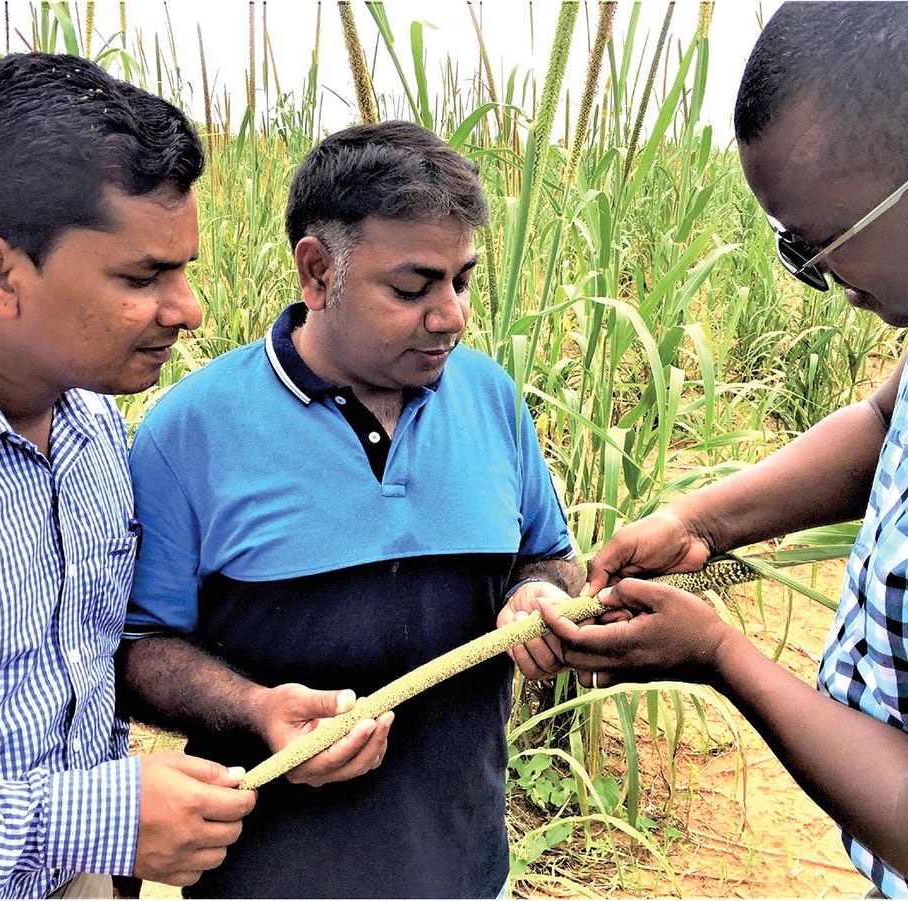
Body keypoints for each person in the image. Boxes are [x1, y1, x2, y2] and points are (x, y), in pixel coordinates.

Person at [522, 3, 908, 898]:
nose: (811, 277)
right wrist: (699, 519)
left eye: (821, 247)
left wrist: (717, 654)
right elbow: (892, 417)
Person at [0, 52, 342, 898]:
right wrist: (87, 816)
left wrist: (256, 710)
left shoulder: (88, 424)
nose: (189, 309)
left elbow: (82, 658)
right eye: (143, 276)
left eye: (182, 267)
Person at [117, 120, 583, 899]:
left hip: (469, 870)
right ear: (316, 271)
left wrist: (541, 591)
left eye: (462, 280)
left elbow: (547, 551)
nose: (451, 316)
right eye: (412, 288)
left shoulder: (492, 398)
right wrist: (257, 708)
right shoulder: (191, 430)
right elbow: (138, 650)